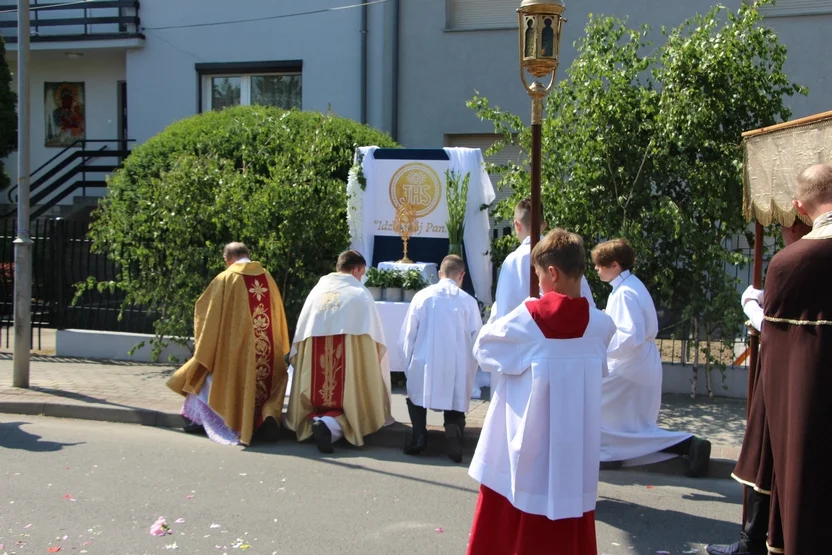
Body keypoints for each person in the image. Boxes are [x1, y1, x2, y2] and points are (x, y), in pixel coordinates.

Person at [467, 229, 616, 555]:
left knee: (515, 512)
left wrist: (506, 314)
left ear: (552, 273)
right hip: (573, 452)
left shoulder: (529, 319)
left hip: (530, 448)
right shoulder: (601, 326)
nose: (537, 286)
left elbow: (484, 348)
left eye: (538, 277)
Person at [713, 164, 832, 554]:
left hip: (812, 400)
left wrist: (754, 311)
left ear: (798, 206)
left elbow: (785, 347)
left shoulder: (793, 263)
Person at [706, 218, 811, 555]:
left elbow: (783, 332)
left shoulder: (796, 261)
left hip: (788, 379)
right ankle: (753, 540)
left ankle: (757, 543)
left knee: (773, 457)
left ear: (796, 226)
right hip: (794, 378)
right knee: (768, 460)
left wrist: (752, 308)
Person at [592, 238, 711, 477]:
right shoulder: (630, 286)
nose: (596, 269)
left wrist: (599, 350)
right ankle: (613, 454)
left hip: (628, 367)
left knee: (593, 404)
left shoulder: (624, 292)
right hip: (639, 364)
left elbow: (628, 336)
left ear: (614, 265)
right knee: (628, 424)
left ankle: (687, 443)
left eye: (599, 265)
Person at [167, 242, 290, 446]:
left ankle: (216, 422)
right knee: (264, 383)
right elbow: (278, 316)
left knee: (207, 377)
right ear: (247, 255)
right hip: (266, 352)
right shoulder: (267, 278)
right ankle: (260, 421)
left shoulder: (226, 278)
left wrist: (207, 347)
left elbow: (206, 313)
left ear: (227, 259)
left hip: (236, 352)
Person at [478, 197, 595, 398]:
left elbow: (505, 313)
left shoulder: (514, 260)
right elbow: (585, 304)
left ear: (516, 224)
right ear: (544, 225)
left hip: (525, 356)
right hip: (567, 356)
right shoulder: (564, 255)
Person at [285, 250, 393, 454]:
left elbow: (301, 335)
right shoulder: (359, 294)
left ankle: (318, 420)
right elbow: (374, 341)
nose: (362, 278)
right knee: (350, 394)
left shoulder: (317, 291)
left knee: (319, 392)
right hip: (346, 370)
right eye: (362, 273)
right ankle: (330, 425)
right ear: (356, 270)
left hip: (315, 366)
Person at [398, 254, 482, 463]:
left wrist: (409, 367)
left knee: (416, 395)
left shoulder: (422, 297)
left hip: (425, 363)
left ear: (439, 274)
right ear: (461, 275)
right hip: (456, 365)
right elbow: (477, 338)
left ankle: (419, 436)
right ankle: (453, 428)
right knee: (455, 396)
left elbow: (408, 335)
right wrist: (472, 368)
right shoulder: (468, 302)